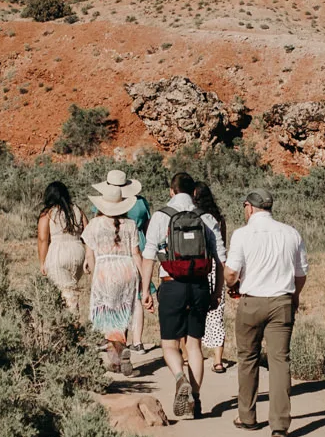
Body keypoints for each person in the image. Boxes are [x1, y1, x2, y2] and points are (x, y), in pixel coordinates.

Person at [223, 188, 308, 437]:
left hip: (251, 302)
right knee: (280, 361)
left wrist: (232, 284)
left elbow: (230, 273)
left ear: (249, 207)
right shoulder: (290, 232)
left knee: (247, 358)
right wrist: (294, 296)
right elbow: (301, 273)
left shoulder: (242, 234)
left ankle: (247, 416)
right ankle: (280, 423)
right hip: (281, 301)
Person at [143, 171, 224, 419]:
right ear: (194, 192)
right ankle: (196, 401)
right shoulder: (207, 218)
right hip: (199, 286)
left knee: (169, 344)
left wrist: (145, 290)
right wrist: (216, 292)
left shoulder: (160, 216)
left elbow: (149, 255)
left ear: (171, 190)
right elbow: (220, 259)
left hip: (171, 284)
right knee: (194, 345)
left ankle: (180, 379)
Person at [83, 177, 146, 373]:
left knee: (106, 315)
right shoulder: (130, 224)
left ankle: (116, 358)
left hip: (105, 269)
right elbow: (136, 253)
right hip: (127, 269)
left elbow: (90, 255)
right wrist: (144, 280)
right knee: (122, 311)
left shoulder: (94, 224)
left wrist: (94, 274)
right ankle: (119, 354)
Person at [37, 180, 89, 316]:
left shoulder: (48, 213)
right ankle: (71, 323)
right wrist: (89, 257)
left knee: (64, 293)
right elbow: (88, 234)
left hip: (58, 253)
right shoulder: (77, 210)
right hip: (78, 252)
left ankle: (71, 325)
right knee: (70, 290)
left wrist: (42, 262)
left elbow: (43, 239)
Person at [195, 177, 231, 374]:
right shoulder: (218, 219)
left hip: (199, 268)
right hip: (216, 268)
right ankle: (218, 360)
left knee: (194, 312)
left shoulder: (192, 217)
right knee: (216, 313)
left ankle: (193, 354)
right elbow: (222, 247)